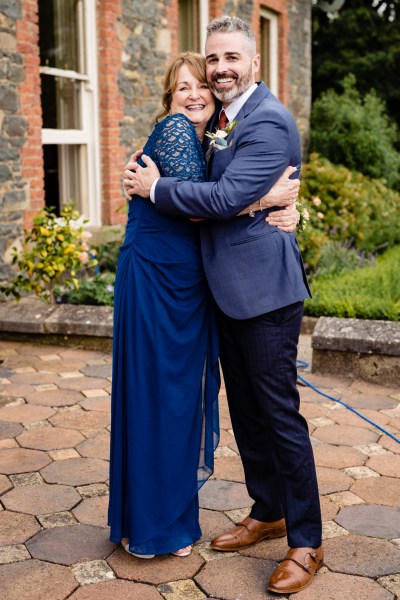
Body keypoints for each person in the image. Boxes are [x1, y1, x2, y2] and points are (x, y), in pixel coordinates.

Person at [124, 16, 323, 595]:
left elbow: (222, 197)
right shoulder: (220, 121)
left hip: (263, 295)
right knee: (248, 412)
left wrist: (154, 188)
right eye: (213, 60)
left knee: (280, 416)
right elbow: (229, 193)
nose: (220, 69)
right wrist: (273, 201)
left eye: (231, 57)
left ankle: (306, 541)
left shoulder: (268, 121)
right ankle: (268, 510)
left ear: (255, 62)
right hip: (224, 293)